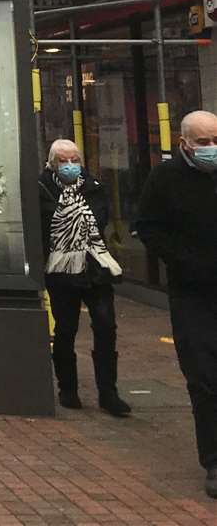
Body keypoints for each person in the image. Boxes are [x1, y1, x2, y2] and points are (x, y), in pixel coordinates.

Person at [135, 110, 217, 497]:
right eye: (203, 142)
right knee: (203, 377)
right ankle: (214, 462)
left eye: (216, 139)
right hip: (192, 292)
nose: (211, 148)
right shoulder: (165, 178)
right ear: (184, 143)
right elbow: (147, 226)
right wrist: (179, 258)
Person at [38, 139, 128, 415]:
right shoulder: (42, 189)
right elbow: (46, 221)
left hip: (95, 268)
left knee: (105, 326)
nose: (69, 166)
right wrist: (75, 217)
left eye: (74, 160)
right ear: (52, 164)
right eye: (63, 161)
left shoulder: (94, 188)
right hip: (62, 271)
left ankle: (108, 392)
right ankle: (68, 388)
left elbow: (99, 219)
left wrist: (67, 218)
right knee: (66, 329)